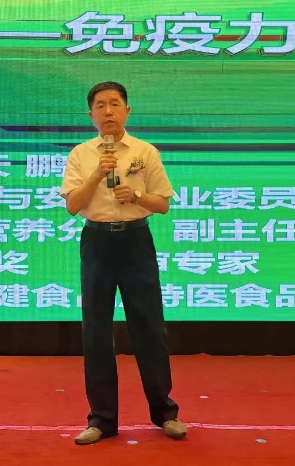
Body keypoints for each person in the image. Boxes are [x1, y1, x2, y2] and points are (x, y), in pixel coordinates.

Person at [60, 81, 186, 445]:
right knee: (96, 331)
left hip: (136, 240)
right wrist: (98, 173)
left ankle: (165, 414)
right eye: (100, 105)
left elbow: (163, 204)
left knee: (149, 327)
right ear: (91, 115)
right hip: (97, 241)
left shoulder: (145, 152)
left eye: (115, 104)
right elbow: (72, 206)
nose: (108, 111)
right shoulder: (81, 154)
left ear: (127, 111)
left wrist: (138, 195)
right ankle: (102, 420)